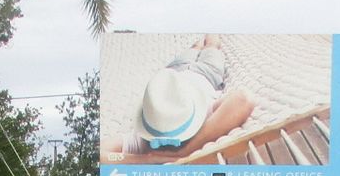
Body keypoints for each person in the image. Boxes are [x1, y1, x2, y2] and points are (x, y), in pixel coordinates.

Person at [102, 35, 255, 163]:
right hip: (204, 73)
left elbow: (243, 99)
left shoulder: (144, 140)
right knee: (209, 46)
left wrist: (182, 152)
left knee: (206, 43)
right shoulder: (150, 133)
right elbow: (243, 100)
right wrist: (147, 159)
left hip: (173, 74)